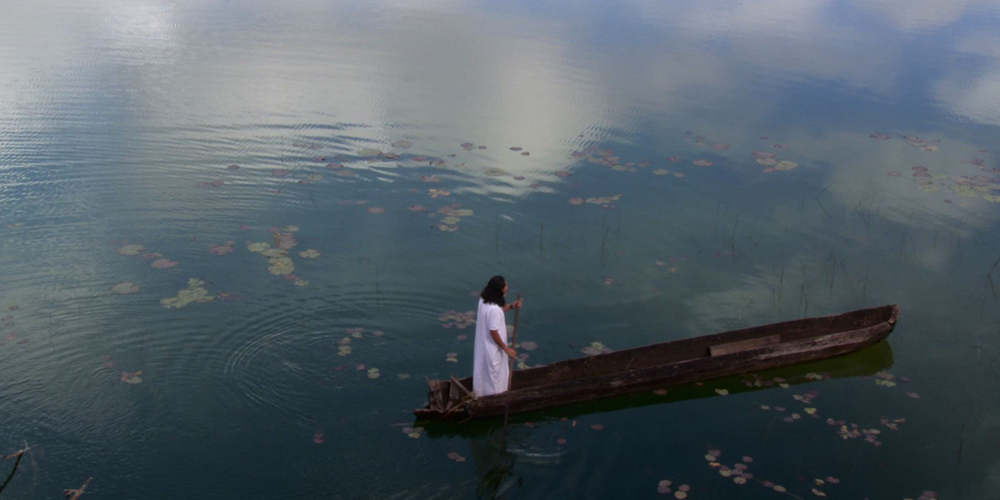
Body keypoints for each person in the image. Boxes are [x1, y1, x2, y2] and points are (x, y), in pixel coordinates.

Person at [472, 275, 523, 397]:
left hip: (483, 346)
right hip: (492, 348)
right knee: (495, 374)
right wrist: (506, 349)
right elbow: (493, 331)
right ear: (500, 289)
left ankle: (481, 393)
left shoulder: (483, 300)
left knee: (484, 371)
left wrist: (511, 306)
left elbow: (497, 311)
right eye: (505, 286)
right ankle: (495, 397)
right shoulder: (494, 309)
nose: (507, 287)